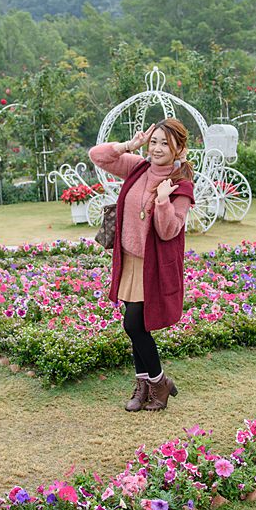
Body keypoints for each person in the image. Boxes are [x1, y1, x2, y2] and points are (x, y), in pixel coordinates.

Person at [89, 118, 196, 412]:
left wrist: (163, 201)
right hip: (129, 259)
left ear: (179, 148)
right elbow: (96, 155)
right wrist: (129, 145)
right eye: (154, 141)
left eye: (165, 143)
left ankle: (159, 382)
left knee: (134, 324)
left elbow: (169, 231)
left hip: (153, 266)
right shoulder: (137, 166)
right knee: (135, 328)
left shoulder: (181, 185)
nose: (158, 148)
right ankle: (144, 386)